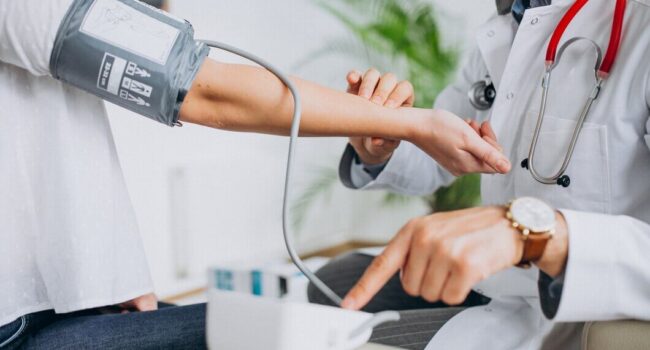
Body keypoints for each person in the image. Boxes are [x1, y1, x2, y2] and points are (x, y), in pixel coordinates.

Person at [0, 0, 510, 348]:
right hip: (18, 323)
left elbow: (42, 144)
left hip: (52, 301)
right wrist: (405, 124)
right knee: (295, 323)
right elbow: (202, 89)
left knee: (301, 322)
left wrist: (108, 272)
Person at [309, 0, 650, 349]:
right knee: (332, 284)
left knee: (346, 341)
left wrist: (539, 235)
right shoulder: (514, 21)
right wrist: (381, 145)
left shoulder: (642, 26)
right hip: (503, 279)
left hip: (581, 297)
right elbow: (440, 152)